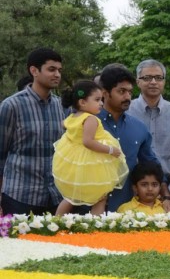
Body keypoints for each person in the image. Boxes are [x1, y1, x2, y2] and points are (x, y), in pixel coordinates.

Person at [0, 48, 65, 216]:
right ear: (34, 71)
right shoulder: (11, 105)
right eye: (51, 69)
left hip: (55, 195)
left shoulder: (61, 106)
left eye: (59, 70)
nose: (57, 74)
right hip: (19, 196)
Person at [98, 66, 170, 212]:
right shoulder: (88, 124)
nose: (127, 97)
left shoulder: (139, 128)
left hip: (127, 209)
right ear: (105, 93)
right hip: (90, 208)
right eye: (121, 91)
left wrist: (166, 196)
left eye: (130, 92)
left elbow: (152, 165)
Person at [53, 81, 129, 215]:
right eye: (97, 100)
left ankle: (56, 220)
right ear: (82, 102)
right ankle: (96, 226)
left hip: (76, 163)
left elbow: (65, 128)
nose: (101, 103)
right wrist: (111, 150)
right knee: (101, 197)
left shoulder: (72, 117)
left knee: (71, 197)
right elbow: (88, 142)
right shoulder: (90, 119)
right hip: (91, 163)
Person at [128, 59, 170, 202]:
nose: (153, 82)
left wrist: (169, 192)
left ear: (164, 81)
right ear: (138, 82)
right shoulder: (126, 111)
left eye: (158, 78)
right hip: (130, 188)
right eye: (147, 78)